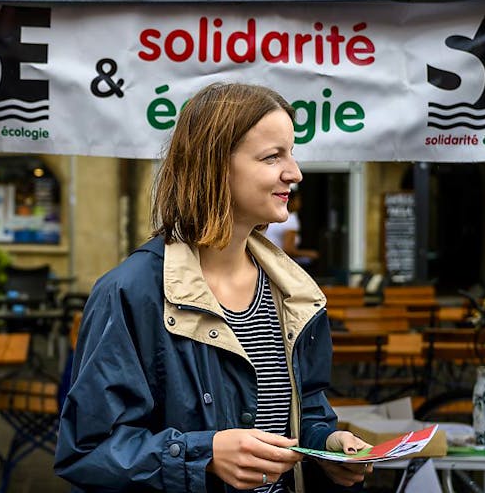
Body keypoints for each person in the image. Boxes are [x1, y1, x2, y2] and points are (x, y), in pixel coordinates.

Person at [55, 83, 371, 492]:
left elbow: (304, 414)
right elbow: (87, 451)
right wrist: (203, 454)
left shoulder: (295, 293)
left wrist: (327, 445)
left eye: (291, 153)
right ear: (214, 166)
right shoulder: (130, 293)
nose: (294, 172)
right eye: (273, 156)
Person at [264, 189, 319, 268]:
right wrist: (312, 254)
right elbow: (288, 250)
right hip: (278, 265)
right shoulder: (290, 219)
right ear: (289, 200)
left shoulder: (271, 216)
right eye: (298, 200)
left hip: (265, 260)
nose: (300, 203)